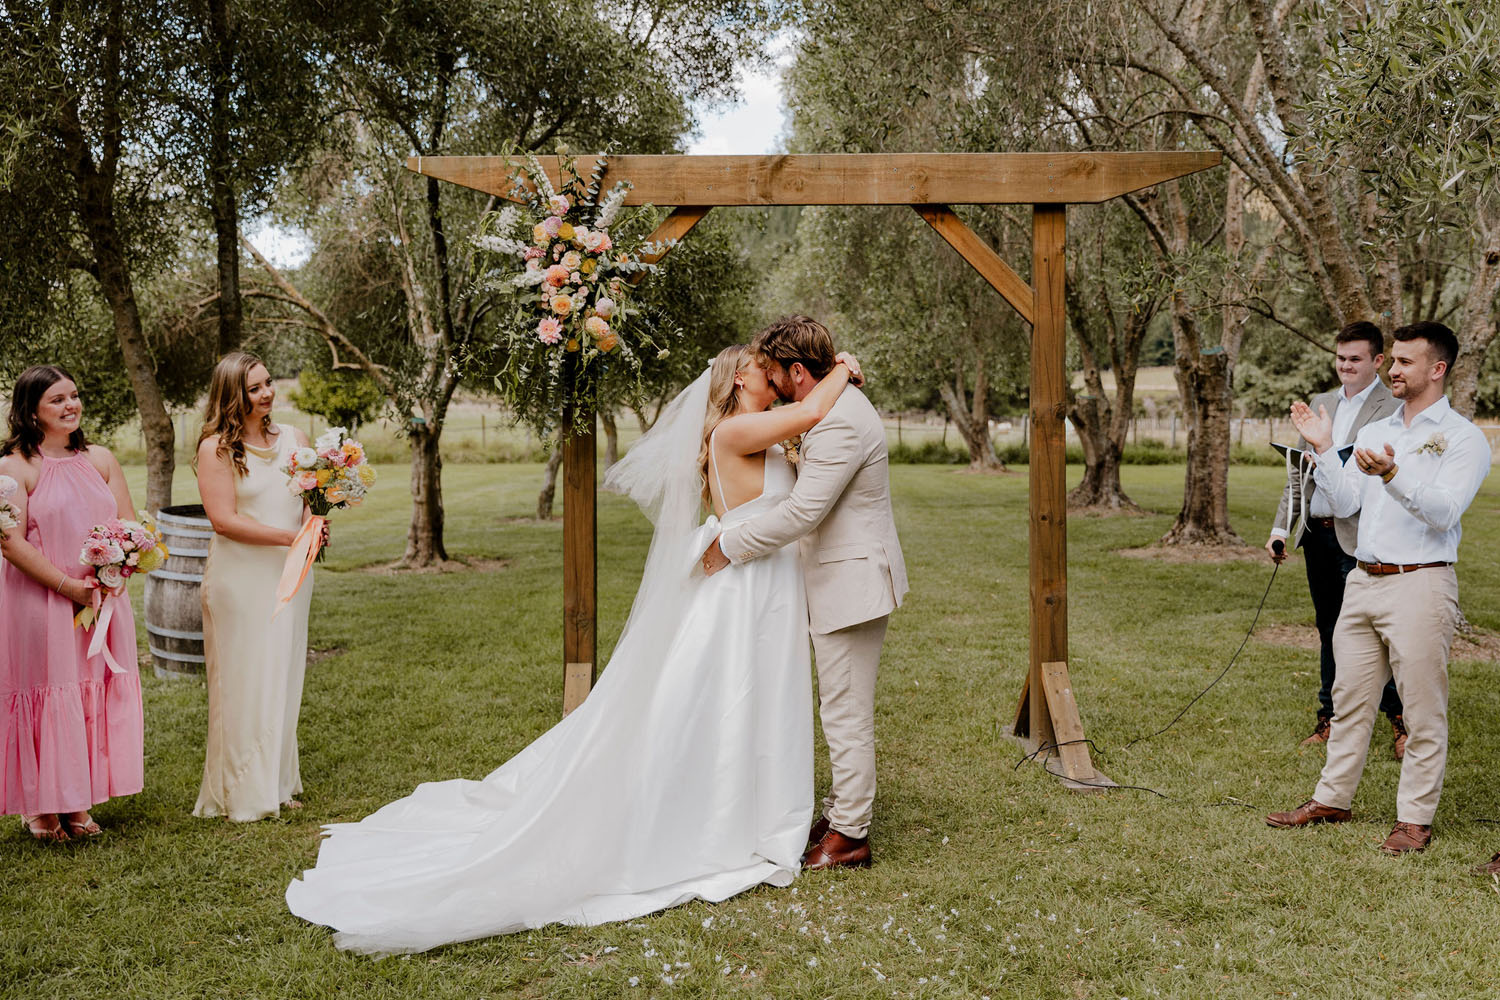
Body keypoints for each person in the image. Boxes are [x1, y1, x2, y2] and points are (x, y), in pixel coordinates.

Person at [285, 342, 863, 954]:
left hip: (761, 580)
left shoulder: (758, 432)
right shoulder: (735, 429)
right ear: (737, 378)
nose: (770, 371)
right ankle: (718, 816)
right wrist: (845, 369)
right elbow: (808, 415)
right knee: (726, 696)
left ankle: (754, 809)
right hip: (744, 586)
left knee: (751, 696)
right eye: (759, 364)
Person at [1266, 322, 1492, 855]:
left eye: (1406, 362)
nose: (1393, 370)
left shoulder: (1463, 439)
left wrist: (1394, 475)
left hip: (1420, 584)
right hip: (1362, 582)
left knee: (1420, 709)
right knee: (1349, 700)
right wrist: (1323, 450)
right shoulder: (1373, 432)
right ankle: (1332, 798)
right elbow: (1345, 504)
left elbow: (1443, 512)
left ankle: (1414, 819)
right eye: (1392, 361)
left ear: (1436, 370)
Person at [702, 316, 908, 872]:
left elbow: (803, 511)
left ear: (797, 371)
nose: (769, 380)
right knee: (838, 705)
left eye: (774, 371)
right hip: (838, 577)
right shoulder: (827, 410)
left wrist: (732, 544)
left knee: (845, 711)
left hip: (852, 581)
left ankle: (850, 837)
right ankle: (842, 811)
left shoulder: (838, 420)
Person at [0, 365, 144, 841]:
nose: (71, 406)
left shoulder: (100, 459)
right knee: (47, 688)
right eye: (57, 399)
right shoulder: (14, 468)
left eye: (74, 396)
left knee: (88, 690)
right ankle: (39, 806)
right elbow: (10, 542)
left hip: (100, 602)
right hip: (40, 601)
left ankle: (76, 799)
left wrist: (117, 572)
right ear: (31, 411)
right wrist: (68, 586)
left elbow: (128, 525)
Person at [1265, 322, 1403, 753]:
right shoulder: (1321, 403)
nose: (1345, 366)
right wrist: (1279, 530)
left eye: (1355, 359)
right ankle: (1328, 716)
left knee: (1378, 632)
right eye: (1340, 358)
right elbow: (1299, 471)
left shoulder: (1392, 407)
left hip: (1365, 537)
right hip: (1318, 537)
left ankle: (1399, 718)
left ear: (1377, 361)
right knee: (1329, 628)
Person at [193, 352, 317, 822]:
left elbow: (312, 497)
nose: (267, 393)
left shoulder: (296, 439)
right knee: (245, 679)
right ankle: (241, 790)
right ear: (232, 396)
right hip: (240, 579)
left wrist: (312, 527)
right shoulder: (216, 449)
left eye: (268, 383)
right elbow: (224, 521)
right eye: (254, 388)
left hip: (291, 574)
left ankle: (279, 783)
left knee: (283, 672)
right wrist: (292, 538)